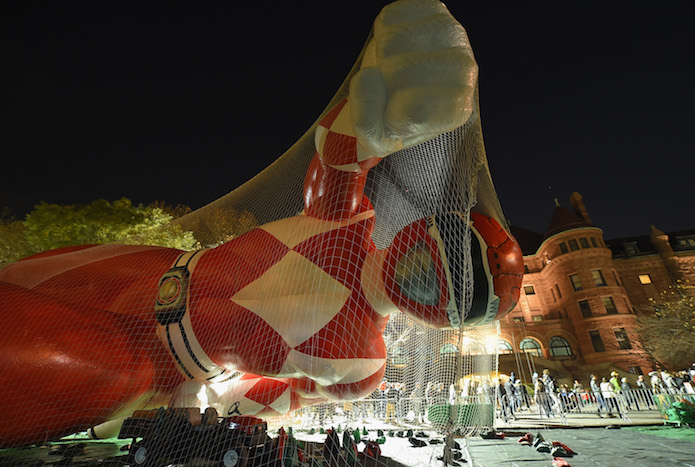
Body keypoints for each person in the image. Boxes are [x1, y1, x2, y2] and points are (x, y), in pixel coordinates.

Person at [0, 1, 525, 446]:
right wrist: (385, 110)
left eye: (440, 286)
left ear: (441, 317)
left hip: (145, 356)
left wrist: (199, 412)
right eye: (433, 263)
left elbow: (282, 396)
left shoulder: (360, 361)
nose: (421, 274)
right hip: (146, 272)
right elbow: (341, 156)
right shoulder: (344, 227)